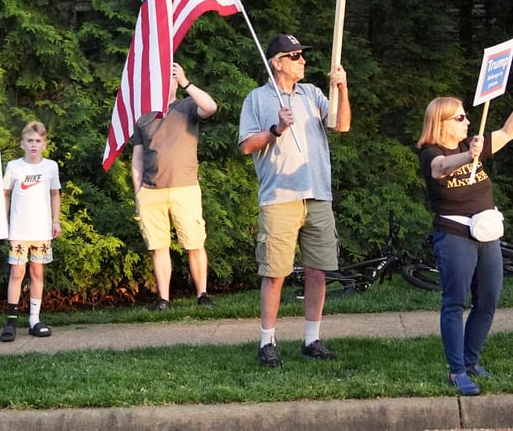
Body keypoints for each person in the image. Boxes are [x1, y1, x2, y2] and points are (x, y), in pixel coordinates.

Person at [416, 82, 513, 396]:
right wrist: (466, 157)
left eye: (466, 116)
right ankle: (456, 371)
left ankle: (471, 362)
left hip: (487, 234)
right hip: (454, 234)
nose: (467, 122)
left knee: (488, 300)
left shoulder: (472, 144)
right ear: (440, 122)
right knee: (455, 302)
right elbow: (439, 168)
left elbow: (508, 132)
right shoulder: (432, 152)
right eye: (459, 118)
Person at [238, 34, 350, 367]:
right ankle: (266, 342)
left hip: (318, 194)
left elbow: (342, 125)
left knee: (318, 271)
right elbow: (246, 145)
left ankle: (312, 339)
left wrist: (342, 89)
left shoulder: (314, 93)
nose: (303, 60)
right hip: (279, 198)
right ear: (277, 62)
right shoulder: (257, 99)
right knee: (275, 273)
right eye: (295, 55)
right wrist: (275, 129)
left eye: (302, 55)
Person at [131, 62, 218, 312]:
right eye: (162, 79)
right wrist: (138, 191)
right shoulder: (144, 118)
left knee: (195, 243)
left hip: (185, 188)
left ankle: (202, 295)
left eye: (170, 78)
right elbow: (137, 158)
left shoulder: (187, 106)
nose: (166, 83)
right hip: (151, 191)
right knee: (158, 247)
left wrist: (186, 82)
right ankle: (163, 299)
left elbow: (210, 107)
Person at [0, 121, 62, 342]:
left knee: (37, 272)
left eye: (38, 141)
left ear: (44, 144)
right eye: (30, 141)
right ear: (22, 144)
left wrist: (56, 221)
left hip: (41, 231)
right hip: (18, 230)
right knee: (17, 273)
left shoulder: (50, 167)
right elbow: (5, 194)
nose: (34, 145)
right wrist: (3, 223)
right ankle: (11, 321)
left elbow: (55, 194)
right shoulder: (14, 167)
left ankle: (34, 319)